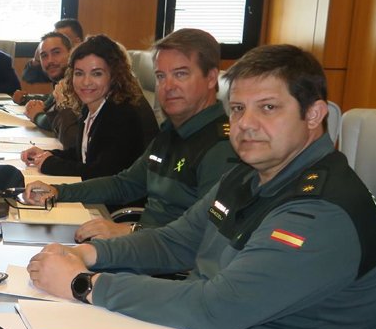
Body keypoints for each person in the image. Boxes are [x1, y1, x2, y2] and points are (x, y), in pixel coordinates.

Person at [27, 44, 376, 329]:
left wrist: (84, 285)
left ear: (313, 115)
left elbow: (216, 309)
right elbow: (176, 241)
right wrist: (90, 255)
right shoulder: (251, 175)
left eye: (268, 108)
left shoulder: (319, 211)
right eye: (237, 109)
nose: (246, 124)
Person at [24, 29, 239, 242]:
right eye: (161, 76)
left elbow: (208, 237)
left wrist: (131, 231)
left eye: (180, 74)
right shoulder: (172, 132)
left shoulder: (222, 147)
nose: (168, 86)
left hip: (162, 255)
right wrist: (58, 192)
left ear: (211, 78)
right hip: (144, 243)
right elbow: (124, 184)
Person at [21, 35, 160, 180]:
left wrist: (50, 164)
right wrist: (47, 154)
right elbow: (84, 153)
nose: (86, 82)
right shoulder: (92, 105)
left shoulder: (122, 112)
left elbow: (102, 173)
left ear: (114, 76)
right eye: (79, 73)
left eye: (96, 73)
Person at [14, 31, 72, 102]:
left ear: (71, 52)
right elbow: (54, 99)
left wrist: (37, 111)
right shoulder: (58, 75)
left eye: (56, 52)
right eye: (44, 55)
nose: (50, 60)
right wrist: (24, 98)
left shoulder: (77, 80)